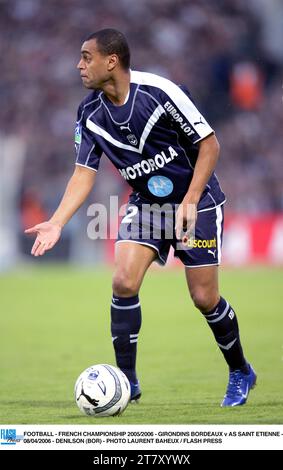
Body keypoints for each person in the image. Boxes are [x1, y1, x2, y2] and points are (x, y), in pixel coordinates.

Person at [25, 28, 256, 407]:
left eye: (86, 57)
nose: (79, 65)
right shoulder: (89, 112)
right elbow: (83, 172)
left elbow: (209, 145)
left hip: (196, 202)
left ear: (110, 61)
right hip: (148, 204)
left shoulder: (160, 93)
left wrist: (192, 199)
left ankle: (239, 371)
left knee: (203, 297)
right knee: (123, 281)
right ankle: (126, 383)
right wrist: (56, 221)